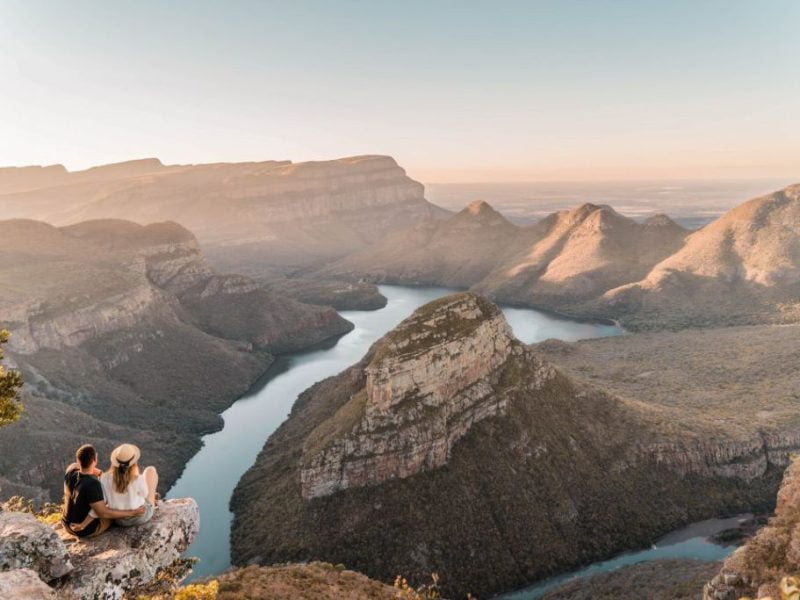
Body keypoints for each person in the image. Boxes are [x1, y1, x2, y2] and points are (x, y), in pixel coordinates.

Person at [62, 444, 145, 538]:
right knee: (112, 505)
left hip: (66, 524)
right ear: (95, 460)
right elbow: (102, 512)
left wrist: (101, 473)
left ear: (78, 460)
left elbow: (74, 465)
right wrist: (132, 513)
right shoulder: (93, 484)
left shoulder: (70, 472)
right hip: (85, 530)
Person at [99, 443, 159, 527]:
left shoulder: (104, 478)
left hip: (119, 520)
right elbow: (145, 494)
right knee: (150, 470)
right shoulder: (138, 479)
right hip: (140, 517)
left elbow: (104, 501)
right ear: (134, 462)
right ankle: (155, 500)